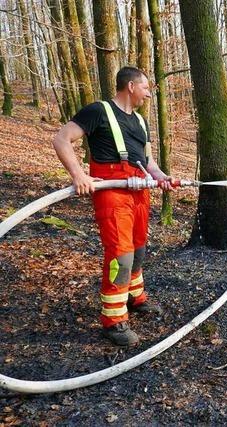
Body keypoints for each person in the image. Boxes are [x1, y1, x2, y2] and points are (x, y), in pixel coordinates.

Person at [52, 66, 175, 346]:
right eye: (145, 88)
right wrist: (79, 175)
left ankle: (135, 297)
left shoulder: (141, 122)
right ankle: (114, 321)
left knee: (139, 248)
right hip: (112, 192)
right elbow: (61, 139)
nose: (148, 94)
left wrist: (161, 177)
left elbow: (149, 161)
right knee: (121, 255)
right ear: (130, 86)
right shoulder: (98, 111)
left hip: (139, 191)